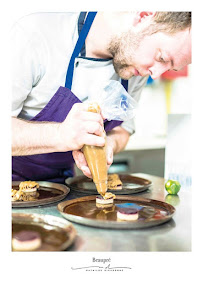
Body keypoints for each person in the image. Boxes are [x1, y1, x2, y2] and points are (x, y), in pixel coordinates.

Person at [11, 11, 191, 183]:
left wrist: (108, 145)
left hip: (62, 184)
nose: (155, 74)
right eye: (161, 57)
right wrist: (60, 134)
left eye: (170, 68)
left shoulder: (136, 68)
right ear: (143, 15)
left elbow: (123, 129)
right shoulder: (35, 35)